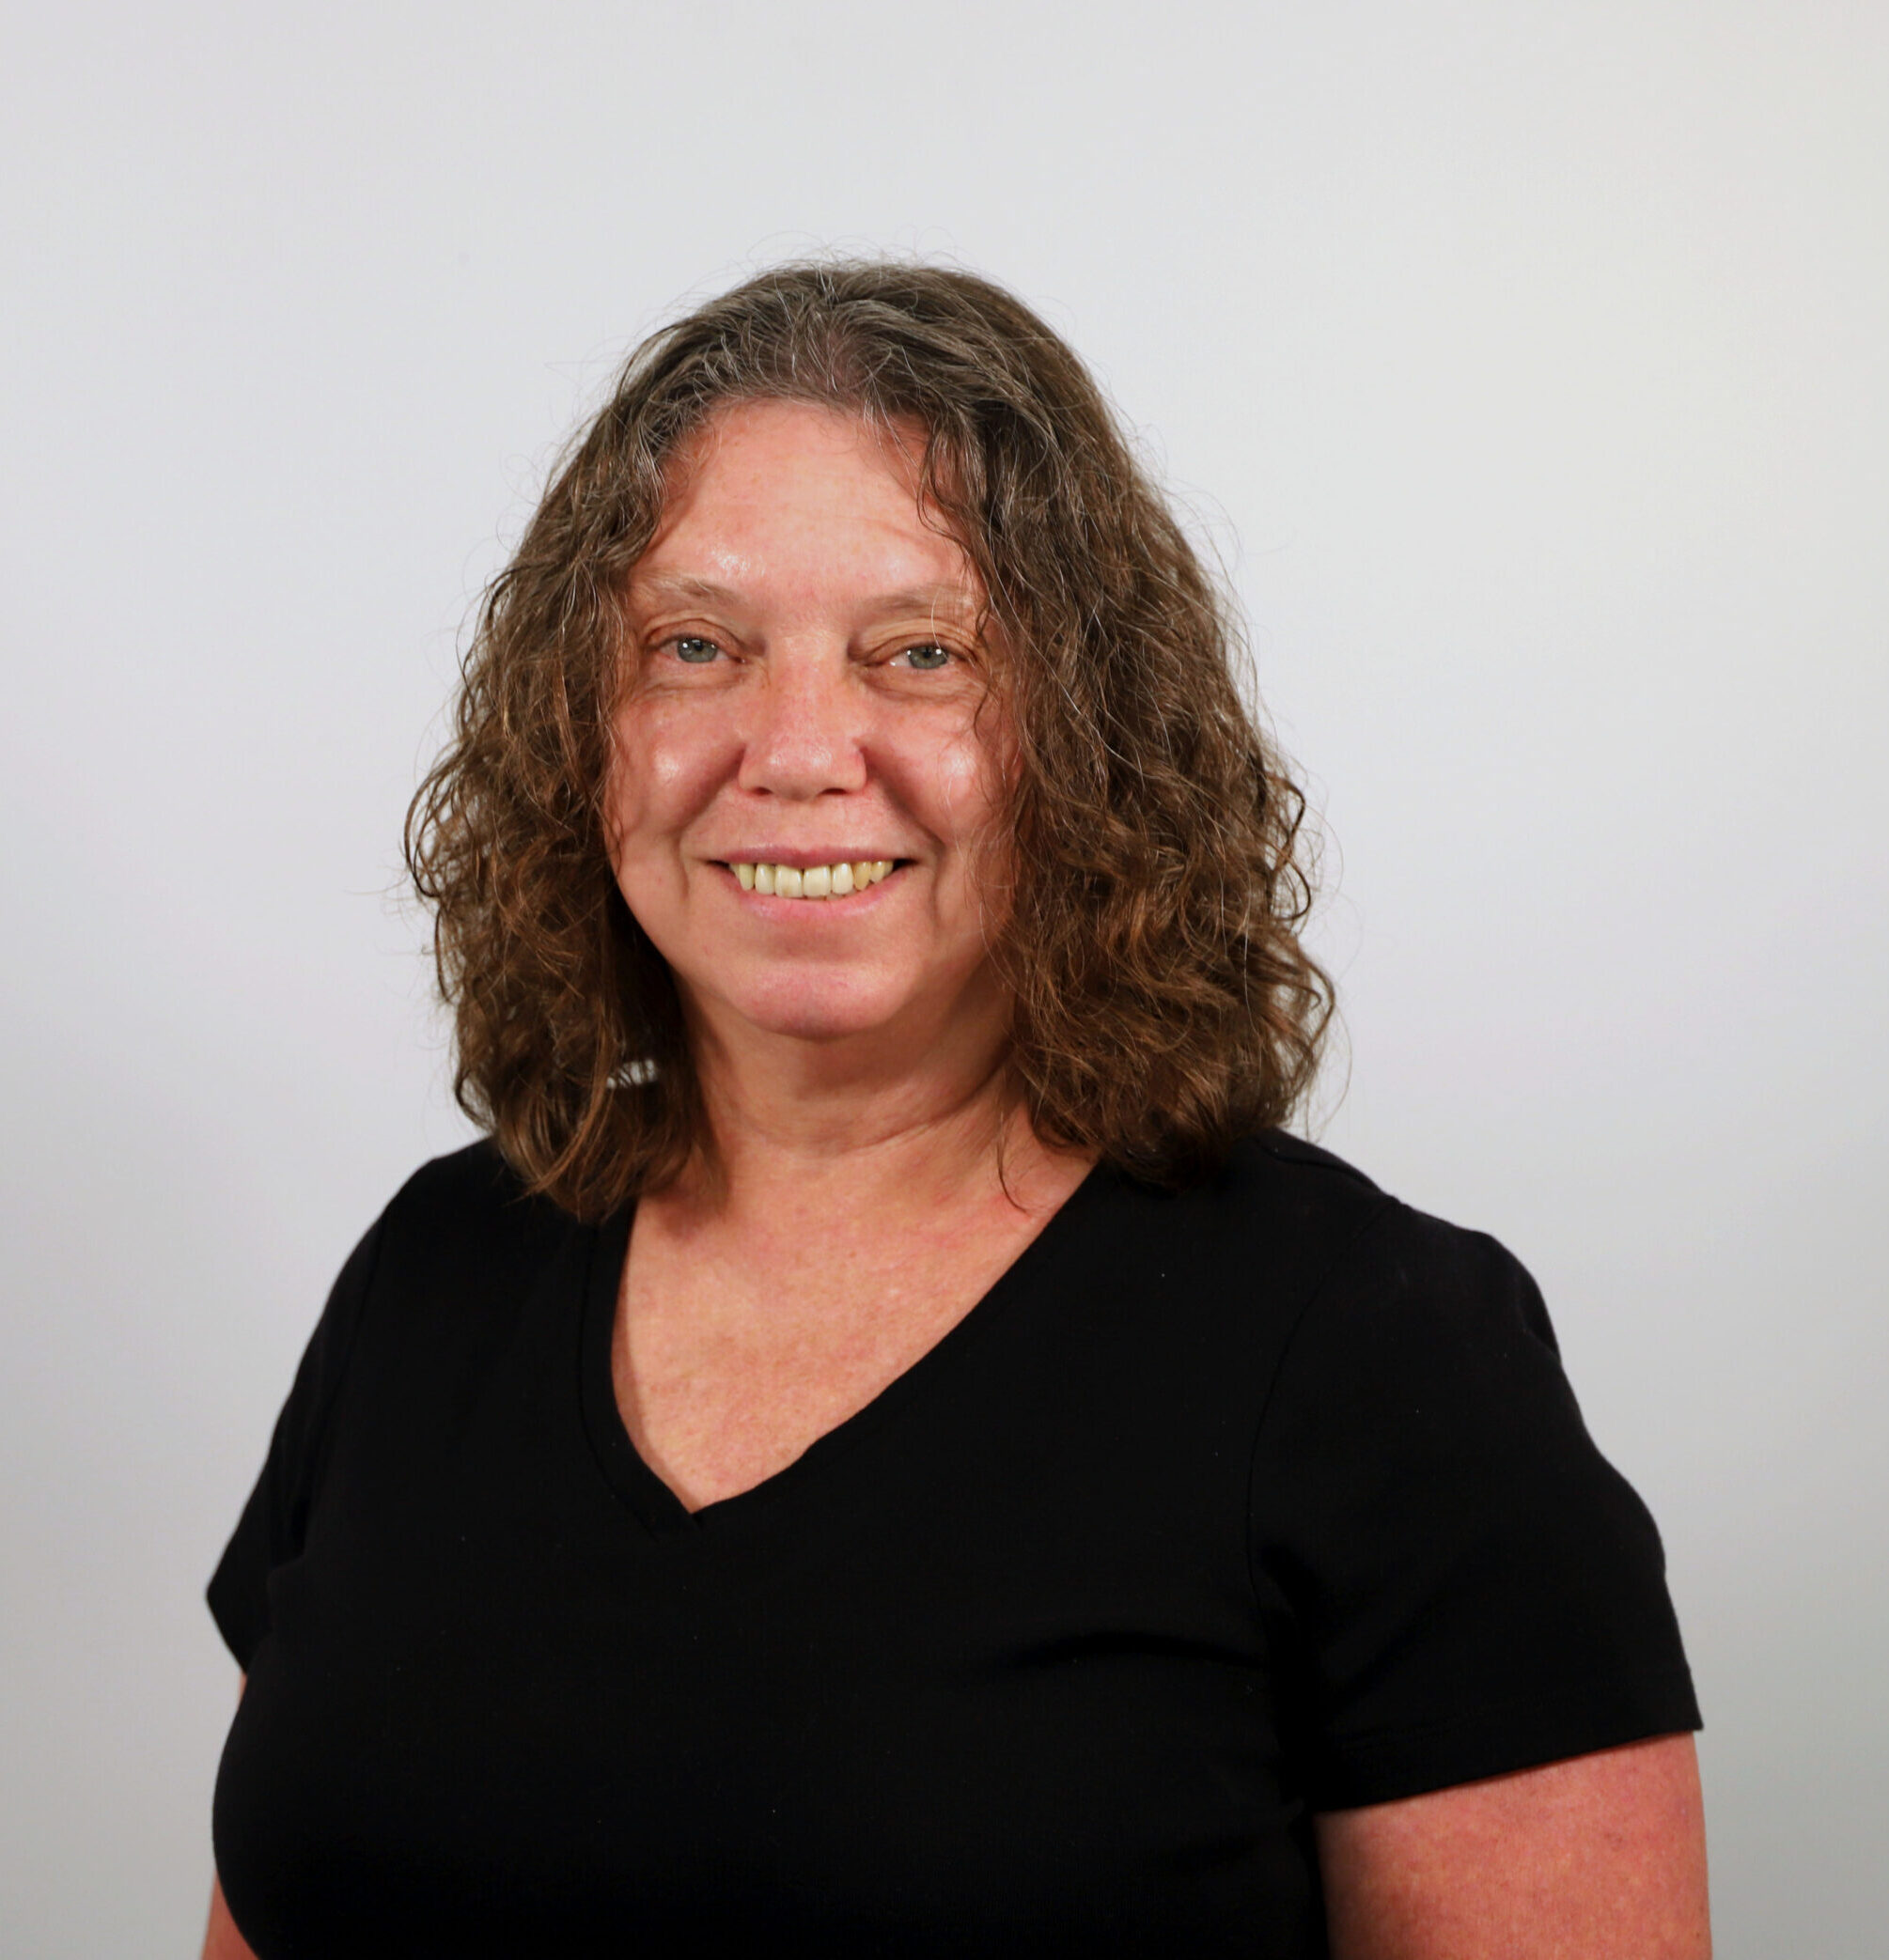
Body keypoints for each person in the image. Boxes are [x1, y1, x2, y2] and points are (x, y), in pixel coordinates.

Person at [202, 261, 1709, 1959]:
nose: (795, 748)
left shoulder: (1385, 1356)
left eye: (920, 653)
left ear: (1091, 735)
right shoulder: (434, 1272)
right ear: (582, 728)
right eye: (695, 646)